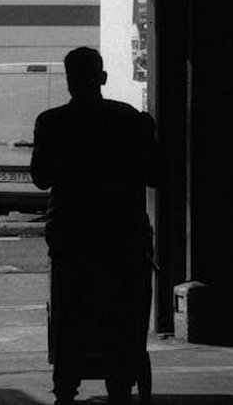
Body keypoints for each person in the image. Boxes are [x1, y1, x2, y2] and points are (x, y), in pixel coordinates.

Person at [29, 47, 157, 405]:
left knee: (71, 311)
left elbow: (41, 178)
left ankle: (66, 386)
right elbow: (155, 174)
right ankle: (119, 384)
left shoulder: (51, 122)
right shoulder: (129, 120)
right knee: (120, 311)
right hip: (122, 236)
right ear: (102, 78)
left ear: (69, 81)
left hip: (72, 236)